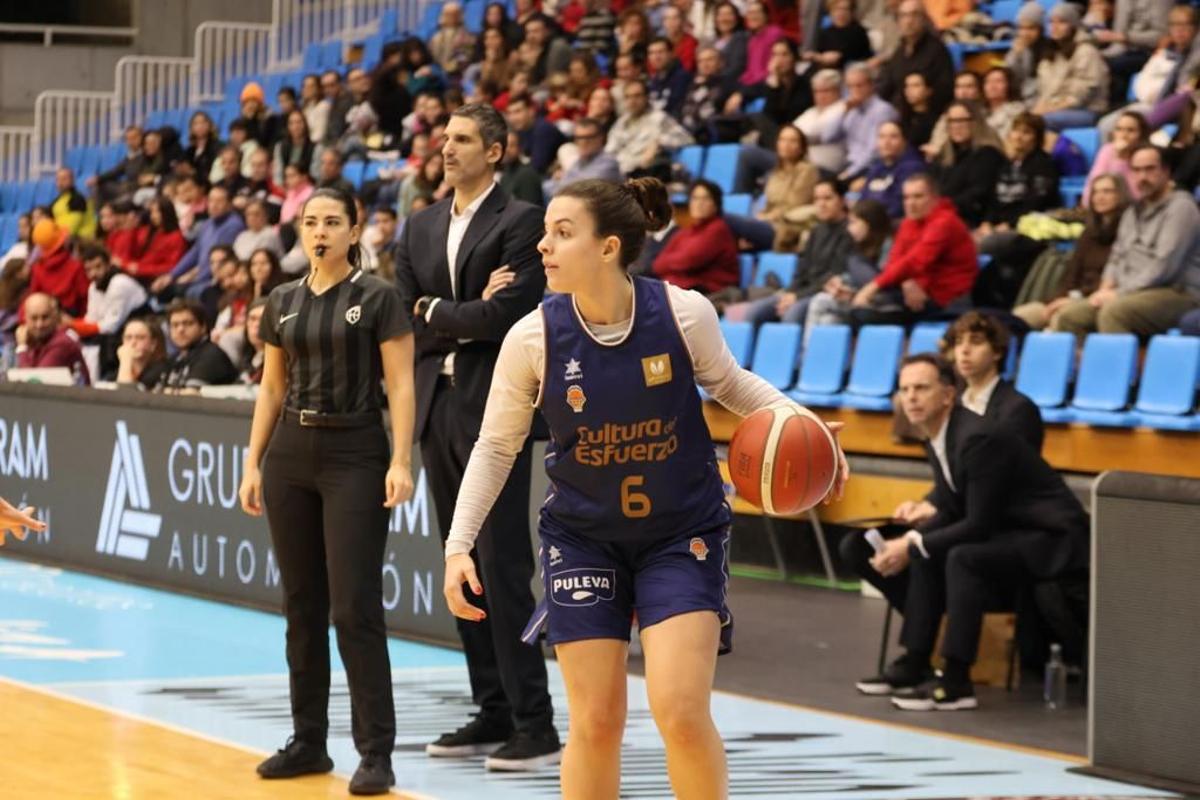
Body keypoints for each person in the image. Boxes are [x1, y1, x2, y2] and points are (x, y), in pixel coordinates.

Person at [442, 175, 848, 797]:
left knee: (681, 713)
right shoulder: (531, 337)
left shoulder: (682, 313)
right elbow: (497, 446)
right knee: (596, 721)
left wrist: (808, 427)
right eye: (546, 232)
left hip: (680, 532)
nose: (543, 247)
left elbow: (734, 385)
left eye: (562, 232)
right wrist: (457, 544)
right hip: (582, 538)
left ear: (608, 247)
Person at [393, 103, 559, 771]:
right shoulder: (420, 224)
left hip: (497, 407)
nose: (447, 149)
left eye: (462, 139)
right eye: (444, 139)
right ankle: (491, 708)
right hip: (439, 405)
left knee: (503, 562)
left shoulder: (522, 222)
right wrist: (452, 314)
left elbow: (510, 315)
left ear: (495, 151)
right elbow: (408, 319)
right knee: (459, 561)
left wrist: (442, 310)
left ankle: (535, 721)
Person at [237, 187, 415, 796]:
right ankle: (308, 741)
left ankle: (376, 752)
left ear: (353, 230)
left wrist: (399, 459)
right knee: (301, 604)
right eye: (311, 222)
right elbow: (269, 388)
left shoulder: (379, 297)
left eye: (332, 222)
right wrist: (253, 462)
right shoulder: (280, 301)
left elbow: (402, 384)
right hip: (290, 453)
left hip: (355, 453)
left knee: (353, 607)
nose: (320, 232)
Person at [840, 354, 1087, 711]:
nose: (910, 397)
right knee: (919, 550)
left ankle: (956, 681)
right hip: (1009, 529)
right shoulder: (935, 433)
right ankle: (916, 660)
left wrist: (912, 544)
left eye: (922, 388)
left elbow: (978, 522)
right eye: (905, 389)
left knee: (961, 557)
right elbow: (956, 507)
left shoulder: (978, 437)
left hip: (1052, 538)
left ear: (948, 395)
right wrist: (915, 540)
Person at [1053, 145, 1200, 338]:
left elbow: (1164, 265)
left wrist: (1120, 292)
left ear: (1166, 172)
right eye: (1137, 170)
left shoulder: (1181, 208)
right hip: (1131, 293)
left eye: (1150, 169)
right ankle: (1086, 365)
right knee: (1070, 317)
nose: (1142, 177)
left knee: (1114, 312)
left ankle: (1116, 368)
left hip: (1176, 293)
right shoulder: (1131, 211)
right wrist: (1104, 288)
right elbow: (1117, 256)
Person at [852, 173, 977, 327]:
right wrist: (907, 281)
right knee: (854, 266)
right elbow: (895, 260)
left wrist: (872, 287)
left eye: (918, 197)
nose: (911, 203)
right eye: (906, 198)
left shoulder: (945, 222)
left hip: (946, 301)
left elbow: (917, 261)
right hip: (915, 293)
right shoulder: (908, 223)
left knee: (862, 313)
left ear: (935, 198)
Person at [1013, 173, 1131, 329]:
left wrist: (1075, 298)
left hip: (1097, 300)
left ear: (1121, 195)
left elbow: (1115, 279)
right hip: (1070, 297)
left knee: (1059, 321)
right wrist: (1061, 298)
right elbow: (1072, 272)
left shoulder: (1128, 233)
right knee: (1019, 317)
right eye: (1095, 192)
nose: (1100, 197)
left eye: (1107, 191)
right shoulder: (1088, 233)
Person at [805, 198, 892, 335]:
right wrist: (841, 283)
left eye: (854, 222)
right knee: (829, 320)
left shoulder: (888, 245)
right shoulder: (857, 247)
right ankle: (817, 355)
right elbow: (854, 278)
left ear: (870, 223)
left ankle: (807, 354)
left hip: (883, 305)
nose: (849, 228)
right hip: (860, 299)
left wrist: (853, 292)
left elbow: (883, 283)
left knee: (820, 301)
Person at [651, 179, 739, 295]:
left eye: (705, 199)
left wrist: (671, 266)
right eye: (695, 198)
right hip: (685, 290)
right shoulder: (686, 231)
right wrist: (675, 265)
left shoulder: (718, 229)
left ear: (716, 204)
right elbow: (657, 265)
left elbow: (689, 260)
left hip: (712, 294)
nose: (699, 203)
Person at [1032, 3, 1111, 131]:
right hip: (1054, 108)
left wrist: (1049, 109)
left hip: (1087, 110)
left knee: (1042, 121)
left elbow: (1084, 93)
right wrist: (1039, 108)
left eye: (1061, 22)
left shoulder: (1086, 51)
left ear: (1073, 26)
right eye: (1051, 22)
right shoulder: (1050, 55)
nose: (1055, 27)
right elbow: (1045, 91)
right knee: (1022, 119)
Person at [931, 102, 1007, 228]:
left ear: (975, 122)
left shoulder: (988, 154)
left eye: (962, 120)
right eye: (952, 121)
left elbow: (978, 194)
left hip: (970, 221)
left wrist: (942, 207)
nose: (957, 126)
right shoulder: (943, 155)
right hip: (941, 217)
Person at [151, 298, 238, 392]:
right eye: (175, 325)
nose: (180, 330)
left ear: (203, 327)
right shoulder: (175, 359)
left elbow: (190, 395)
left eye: (188, 323)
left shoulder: (212, 355)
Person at [14, 293, 90, 384]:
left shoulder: (62, 343)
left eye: (45, 317)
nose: (39, 324)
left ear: (55, 317)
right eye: (34, 318)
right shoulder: (35, 339)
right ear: (25, 319)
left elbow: (33, 384)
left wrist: (22, 348)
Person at [857, 121, 925, 219]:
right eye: (881, 137)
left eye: (893, 137)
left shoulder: (913, 168)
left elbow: (899, 206)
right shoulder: (876, 167)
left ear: (904, 141)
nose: (886, 142)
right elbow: (863, 199)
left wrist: (870, 221)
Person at [543, 118, 622, 198]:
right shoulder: (579, 161)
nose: (583, 142)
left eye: (588, 137)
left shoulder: (609, 163)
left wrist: (561, 180)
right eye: (579, 138)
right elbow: (551, 187)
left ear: (601, 138)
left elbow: (580, 192)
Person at [1082, 111, 1149, 205]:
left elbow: (1137, 196)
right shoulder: (1107, 150)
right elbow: (1093, 185)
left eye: (1131, 130)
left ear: (1142, 135)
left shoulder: (1146, 156)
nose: (1124, 135)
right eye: (1119, 129)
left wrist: (1121, 159)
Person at [27, 220, 89, 318]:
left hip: (43, 320)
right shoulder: (76, 266)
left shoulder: (37, 269)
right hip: (73, 320)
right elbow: (85, 298)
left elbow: (33, 297)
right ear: (62, 243)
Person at [113, 315, 169, 387]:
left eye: (140, 337)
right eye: (128, 337)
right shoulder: (113, 376)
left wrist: (126, 360)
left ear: (153, 344)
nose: (133, 343)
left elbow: (126, 395)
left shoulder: (162, 371)